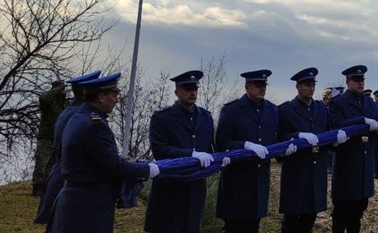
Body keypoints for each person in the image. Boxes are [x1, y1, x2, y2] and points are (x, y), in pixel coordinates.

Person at [49, 73, 157, 233]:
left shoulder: (79, 117)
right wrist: (147, 170)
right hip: (88, 205)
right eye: (114, 95)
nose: (116, 100)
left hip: (76, 200)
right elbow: (113, 165)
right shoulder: (95, 125)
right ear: (101, 97)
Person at [216, 69, 287, 233]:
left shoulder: (272, 110)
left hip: (259, 180)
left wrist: (283, 149)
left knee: (253, 226)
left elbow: (274, 139)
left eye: (264, 85)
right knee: (233, 227)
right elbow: (221, 142)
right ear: (247, 86)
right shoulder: (232, 110)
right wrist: (245, 145)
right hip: (237, 180)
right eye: (258, 84)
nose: (262, 88)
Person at [144, 70, 215, 233]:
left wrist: (221, 159)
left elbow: (210, 147)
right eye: (188, 89)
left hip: (196, 186)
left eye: (195, 89)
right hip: (170, 186)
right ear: (177, 92)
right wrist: (190, 154)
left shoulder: (205, 117)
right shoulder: (162, 117)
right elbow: (160, 150)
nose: (193, 93)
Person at [278, 67, 341, 233]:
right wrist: (297, 136)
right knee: (292, 219)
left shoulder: (321, 109)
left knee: (310, 217)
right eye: (307, 85)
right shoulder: (286, 110)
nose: (311, 88)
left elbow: (326, 133)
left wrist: (335, 142)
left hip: (316, 169)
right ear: (297, 86)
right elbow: (279, 138)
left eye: (313, 85)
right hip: (297, 170)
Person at [34, 70, 101, 224]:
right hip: (71, 181)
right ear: (86, 92)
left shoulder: (69, 111)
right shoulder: (83, 116)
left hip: (61, 176)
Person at [328, 65, 378, 233]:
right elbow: (337, 125)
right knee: (341, 213)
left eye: (362, 80)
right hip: (347, 164)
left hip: (365, 165)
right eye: (356, 80)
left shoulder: (369, 102)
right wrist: (362, 120)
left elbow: (374, 128)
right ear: (348, 81)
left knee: (358, 212)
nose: (360, 83)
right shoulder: (338, 102)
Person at [32, 79, 68, 196]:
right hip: (46, 137)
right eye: (61, 88)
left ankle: (46, 188)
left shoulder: (64, 104)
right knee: (42, 163)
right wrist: (56, 90)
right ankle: (37, 187)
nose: (63, 90)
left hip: (58, 138)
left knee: (51, 165)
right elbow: (44, 98)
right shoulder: (49, 102)